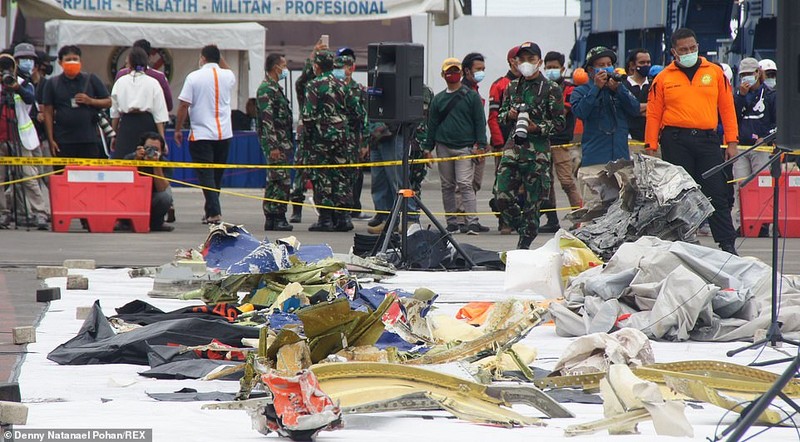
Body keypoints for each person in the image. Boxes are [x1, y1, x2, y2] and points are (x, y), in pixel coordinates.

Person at [645, 27, 739, 255]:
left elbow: (727, 108)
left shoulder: (715, 73)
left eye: (693, 48)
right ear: (674, 53)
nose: (689, 52)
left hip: (708, 141)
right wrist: (650, 146)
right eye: (684, 49)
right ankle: (681, 242)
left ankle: (727, 244)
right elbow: (654, 113)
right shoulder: (663, 78)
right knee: (679, 195)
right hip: (676, 140)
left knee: (717, 192)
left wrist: (732, 141)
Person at [495, 41, 565, 249]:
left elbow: (559, 124)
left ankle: (524, 245)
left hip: (537, 154)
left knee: (534, 204)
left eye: (531, 59)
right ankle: (523, 227)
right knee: (502, 196)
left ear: (539, 62)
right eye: (522, 59)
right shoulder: (512, 86)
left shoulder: (551, 89)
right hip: (513, 149)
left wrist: (537, 127)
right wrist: (509, 115)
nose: (526, 63)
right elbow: (500, 115)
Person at [422, 57, 488, 235]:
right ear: (443, 75)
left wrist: (481, 145)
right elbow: (432, 125)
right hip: (443, 147)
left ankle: (472, 222)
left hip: (465, 147)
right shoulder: (438, 99)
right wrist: (428, 149)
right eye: (449, 71)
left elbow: (479, 122)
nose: (453, 74)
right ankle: (452, 223)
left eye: (456, 71)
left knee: (465, 184)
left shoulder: (472, 96)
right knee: (447, 186)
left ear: (461, 73)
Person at [570, 45, 640, 209]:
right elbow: (581, 111)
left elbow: (635, 109)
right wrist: (596, 88)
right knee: (594, 211)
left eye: (609, 63)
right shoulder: (581, 91)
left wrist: (619, 89)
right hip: (594, 162)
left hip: (620, 162)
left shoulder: (619, 89)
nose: (606, 68)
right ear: (590, 70)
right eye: (600, 65)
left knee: (625, 210)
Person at [174, 45, 236, 225]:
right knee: (217, 174)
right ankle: (211, 210)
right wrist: (219, 54)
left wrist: (178, 129)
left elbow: (183, 105)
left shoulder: (194, 77)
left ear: (202, 58)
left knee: (206, 174)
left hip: (201, 133)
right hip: (224, 133)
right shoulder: (228, 76)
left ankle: (214, 212)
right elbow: (227, 68)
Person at [301, 49, 351, 231]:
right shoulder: (342, 84)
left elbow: (308, 116)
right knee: (340, 176)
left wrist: (307, 139)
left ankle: (326, 219)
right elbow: (351, 111)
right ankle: (343, 218)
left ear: (316, 66)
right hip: (342, 138)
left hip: (321, 140)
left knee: (322, 178)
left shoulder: (314, 85)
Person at [0, 51, 48, 229]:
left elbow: (30, 99)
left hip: (20, 138)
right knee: (1, 178)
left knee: (29, 176)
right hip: (1, 138)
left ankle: (40, 213)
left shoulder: (21, 83)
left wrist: (15, 88)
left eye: (8, 68)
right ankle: (3, 213)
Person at [42, 45, 111, 161]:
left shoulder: (91, 79)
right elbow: (47, 112)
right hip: (63, 140)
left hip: (89, 140)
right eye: (68, 60)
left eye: (75, 59)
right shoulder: (52, 83)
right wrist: (51, 139)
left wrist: (90, 101)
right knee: (63, 175)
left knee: (88, 176)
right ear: (60, 62)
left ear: (80, 61)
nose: (72, 62)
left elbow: (108, 102)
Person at [732, 57, 776, 234]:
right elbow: (731, 117)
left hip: (762, 148)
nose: (747, 78)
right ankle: (740, 223)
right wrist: (741, 97)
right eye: (743, 75)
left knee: (763, 186)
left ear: (758, 73)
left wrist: (766, 138)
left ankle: (764, 224)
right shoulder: (738, 95)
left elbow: (778, 122)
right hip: (742, 147)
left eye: (750, 74)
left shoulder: (772, 95)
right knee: (740, 187)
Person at [541, 50, 581, 233]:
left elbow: (562, 111)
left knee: (566, 181)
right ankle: (552, 220)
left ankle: (579, 218)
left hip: (561, 142)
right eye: (548, 67)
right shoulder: (541, 87)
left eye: (555, 67)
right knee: (545, 183)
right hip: (543, 140)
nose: (551, 70)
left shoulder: (570, 89)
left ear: (562, 68)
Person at [256, 52, 294, 232]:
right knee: (280, 180)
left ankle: (273, 217)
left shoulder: (275, 88)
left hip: (281, 141)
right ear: (275, 67)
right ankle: (277, 216)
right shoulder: (266, 89)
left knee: (277, 179)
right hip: (276, 143)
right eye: (283, 65)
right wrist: (273, 146)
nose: (285, 69)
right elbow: (267, 120)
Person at [109, 47, 168, 160]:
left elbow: (114, 113)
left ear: (129, 63)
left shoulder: (120, 82)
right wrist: (162, 139)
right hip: (147, 125)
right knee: (147, 164)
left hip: (127, 126)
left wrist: (114, 135)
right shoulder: (153, 83)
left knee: (125, 166)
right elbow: (159, 114)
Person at [334, 47, 369, 231]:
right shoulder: (332, 87)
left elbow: (364, 118)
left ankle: (352, 208)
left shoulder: (358, 89)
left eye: (347, 65)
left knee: (354, 175)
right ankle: (338, 212)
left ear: (352, 67)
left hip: (354, 140)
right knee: (337, 176)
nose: (344, 69)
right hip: (336, 141)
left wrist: (364, 143)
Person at [487, 46, 521, 233]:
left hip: (528, 145)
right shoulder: (500, 84)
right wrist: (499, 144)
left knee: (525, 186)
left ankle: (522, 221)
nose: (521, 62)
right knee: (503, 185)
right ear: (510, 61)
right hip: (505, 144)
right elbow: (493, 117)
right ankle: (504, 221)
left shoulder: (535, 85)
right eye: (518, 59)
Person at [124, 132, 173, 232]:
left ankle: (156, 223)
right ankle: (125, 222)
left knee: (165, 196)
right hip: (132, 196)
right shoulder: (130, 158)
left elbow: (162, 188)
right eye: (148, 148)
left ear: (162, 151)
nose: (151, 151)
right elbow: (125, 183)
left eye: (156, 149)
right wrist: (137, 160)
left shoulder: (165, 163)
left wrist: (156, 165)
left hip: (153, 197)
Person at [115, 39, 173, 112]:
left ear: (131, 56)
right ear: (148, 57)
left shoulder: (121, 74)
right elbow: (168, 105)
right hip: (151, 119)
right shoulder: (159, 77)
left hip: (125, 119)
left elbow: (115, 103)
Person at [622, 48, 651, 143]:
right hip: (628, 137)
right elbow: (624, 109)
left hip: (650, 136)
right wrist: (649, 106)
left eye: (648, 62)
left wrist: (635, 109)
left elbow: (660, 108)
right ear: (632, 65)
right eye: (642, 63)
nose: (646, 65)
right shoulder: (622, 86)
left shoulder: (655, 85)